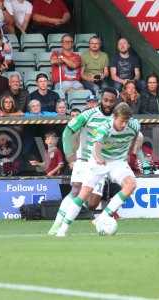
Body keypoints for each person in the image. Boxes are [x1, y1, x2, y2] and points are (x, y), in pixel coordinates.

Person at [55, 102, 140, 237]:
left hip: (118, 161)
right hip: (98, 162)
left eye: (126, 121)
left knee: (131, 184)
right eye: (121, 121)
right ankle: (62, 228)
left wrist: (129, 154)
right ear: (114, 117)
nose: (124, 124)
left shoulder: (134, 125)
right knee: (83, 194)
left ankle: (102, 217)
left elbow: (135, 137)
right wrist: (98, 158)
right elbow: (96, 147)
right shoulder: (104, 128)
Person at [48, 87, 118, 236]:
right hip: (84, 159)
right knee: (75, 190)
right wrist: (69, 154)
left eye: (111, 101)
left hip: (101, 164)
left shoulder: (117, 118)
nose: (108, 103)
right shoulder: (88, 115)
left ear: (115, 102)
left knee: (92, 203)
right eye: (105, 100)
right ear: (101, 99)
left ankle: (93, 217)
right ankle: (57, 226)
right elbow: (68, 131)